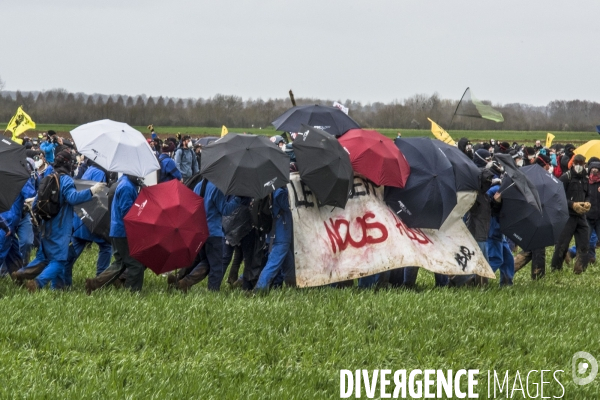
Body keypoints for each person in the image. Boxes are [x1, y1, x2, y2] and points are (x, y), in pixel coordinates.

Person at [12, 151, 103, 291]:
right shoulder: (66, 179)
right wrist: (92, 191)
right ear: (67, 164)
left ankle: (22, 274)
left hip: (45, 225)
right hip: (60, 227)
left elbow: (36, 203)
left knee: (43, 257)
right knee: (60, 260)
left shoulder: (48, 177)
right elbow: (73, 198)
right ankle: (38, 283)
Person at [170, 178, 243, 292]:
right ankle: (212, 291)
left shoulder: (198, 186)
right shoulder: (216, 188)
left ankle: (182, 279)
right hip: (213, 232)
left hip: (199, 231)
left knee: (206, 262)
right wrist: (238, 199)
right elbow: (225, 209)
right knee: (216, 266)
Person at [85, 174, 146, 293]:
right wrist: (141, 206)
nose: (140, 177)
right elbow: (128, 212)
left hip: (117, 230)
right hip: (124, 231)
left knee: (120, 263)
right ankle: (133, 293)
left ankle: (94, 284)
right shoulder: (127, 187)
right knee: (136, 265)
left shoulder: (123, 182)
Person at [62, 161, 112, 288]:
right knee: (106, 246)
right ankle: (100, 280)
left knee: (74, 249)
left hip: (81, 217)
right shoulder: (100, 172)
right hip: (92, 218)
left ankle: (64, 281)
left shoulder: (90, 169)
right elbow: (98, 195)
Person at [513, 155, 553, 279]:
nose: (549, 167)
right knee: (538, 247)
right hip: (536, 215)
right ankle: (538, 275)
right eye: (548, 164)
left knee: (531, 249)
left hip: (527, 214)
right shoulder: (541, 178)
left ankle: (510, 267)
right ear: (545, 165)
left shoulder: (528, 173)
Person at [551, 154, 590, 274]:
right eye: (576, 163)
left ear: (584, 164)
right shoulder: (565, 177)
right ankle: (556, 268)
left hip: (581, 216)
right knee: (562, 244)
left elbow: (588, 194)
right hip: (567, 216)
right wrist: (572, 204)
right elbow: (558, 196)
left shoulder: (585, 178)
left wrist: (588, 202)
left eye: (581, 164)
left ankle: (580, 269)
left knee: (584, 243)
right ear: (572, 164)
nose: (578, 166)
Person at [254, 185, 295, 291]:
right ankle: (259, 288)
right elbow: (290, 205)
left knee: (288, 265)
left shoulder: (270, 191)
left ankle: (293, 286)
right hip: (281, 235)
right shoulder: (280, 193)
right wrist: (290, 190)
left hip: (275, 235)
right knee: (273, 264)